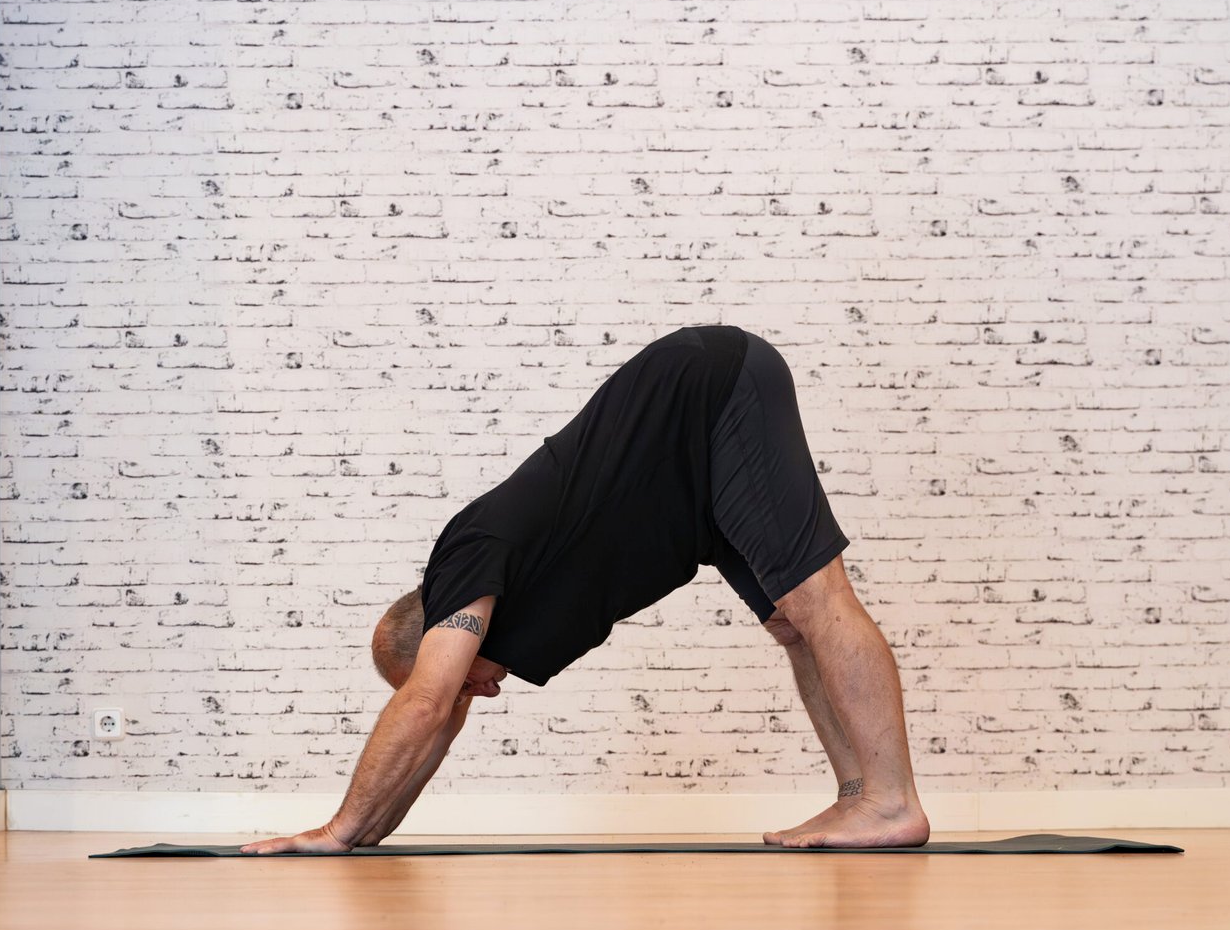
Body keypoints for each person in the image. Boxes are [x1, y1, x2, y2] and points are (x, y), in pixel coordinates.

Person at [243, 325, 930, 854]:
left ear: (436, 635)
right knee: (792, 621)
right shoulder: (482, 612)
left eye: (458, 682)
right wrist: (366, 833)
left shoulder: (460, 559)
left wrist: (334, 828)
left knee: (819, 598)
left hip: (707, 397)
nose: (471, 695)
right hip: (695, 489)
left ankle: (892, 799)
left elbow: (425, 704)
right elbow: (436, 719)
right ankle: (859, 794)